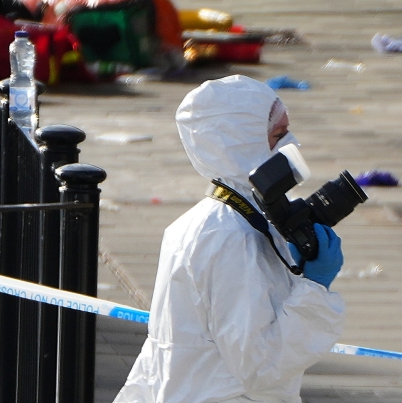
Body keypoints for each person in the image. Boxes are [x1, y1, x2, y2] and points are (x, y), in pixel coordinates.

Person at [114, 75, 346, 403]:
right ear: (242, 143)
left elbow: (161, 356)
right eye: (278, 135)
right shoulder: (232, 238)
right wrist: (315, 290)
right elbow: (261, 367)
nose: (291, 143)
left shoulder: (209, 221)